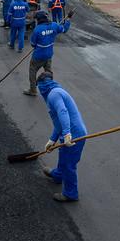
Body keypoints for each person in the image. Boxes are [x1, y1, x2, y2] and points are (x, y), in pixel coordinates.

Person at [38, 71, 87, 202]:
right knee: (63, 155)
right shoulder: (56, 92)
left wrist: (67, 134)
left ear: (42, 85)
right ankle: (58, 175)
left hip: (75, 135)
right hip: (71, 133)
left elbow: (62, 111)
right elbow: (58, 123)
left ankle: (70, 194)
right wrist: (52, 140)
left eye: (39, 87)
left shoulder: (54, 94)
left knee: (69, 164)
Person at [24, 10, 71, 96]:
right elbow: (64, 29)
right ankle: (51, 88)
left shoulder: (37, 30)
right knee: (48, 72)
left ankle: (33, 89)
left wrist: (38, 45)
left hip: (38, 56)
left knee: (32, 71)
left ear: (39, 19)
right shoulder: (54, 25)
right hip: (49, 54)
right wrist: (68, 19)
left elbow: (33, 44)